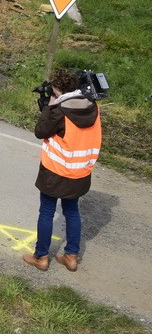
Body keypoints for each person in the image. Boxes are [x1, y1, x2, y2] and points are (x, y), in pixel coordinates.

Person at [23, 68, 102, 272]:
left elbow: (40, 131)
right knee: (72, 212)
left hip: (55, 172)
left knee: (47, 212)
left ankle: (40, 257)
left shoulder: (59, 110)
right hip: (80, 173)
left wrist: (49, 107)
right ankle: (71, 256)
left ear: (57, 89)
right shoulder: (93, 106)